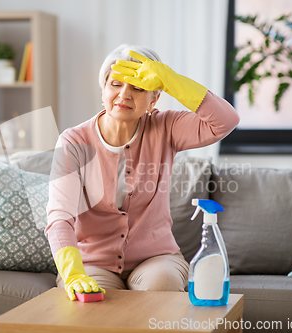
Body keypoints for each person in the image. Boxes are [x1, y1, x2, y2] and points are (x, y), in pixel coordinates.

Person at [45, 44, 240, 301]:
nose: (124, 94)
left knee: (163, 287)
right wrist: (73, 274)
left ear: (154, 99)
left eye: (137, 87)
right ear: (103, 90)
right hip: (93, 262)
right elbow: (60, 216)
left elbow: (226, 121)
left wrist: (171, 80)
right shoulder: (73, 141)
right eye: (115, 84)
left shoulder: (166, 127)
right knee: (94, 306)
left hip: (156, 259)